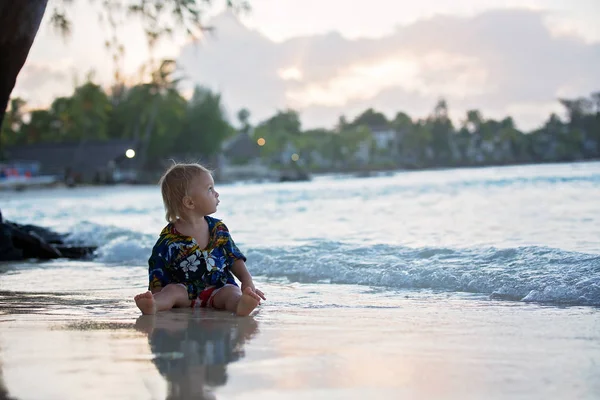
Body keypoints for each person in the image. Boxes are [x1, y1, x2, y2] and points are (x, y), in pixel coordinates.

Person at [134, 163, 265, 316]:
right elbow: (157, 266)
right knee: (171, 292)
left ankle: (240, 304)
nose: (216, 194)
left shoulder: (218, 229)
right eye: (210, 189)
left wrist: (247, 282)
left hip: (219, 288)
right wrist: (156, 293)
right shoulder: (169, 239)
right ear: (189, 202)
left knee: (231, 292)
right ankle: (154, 305)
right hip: (185, 292)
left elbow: (234, 258)